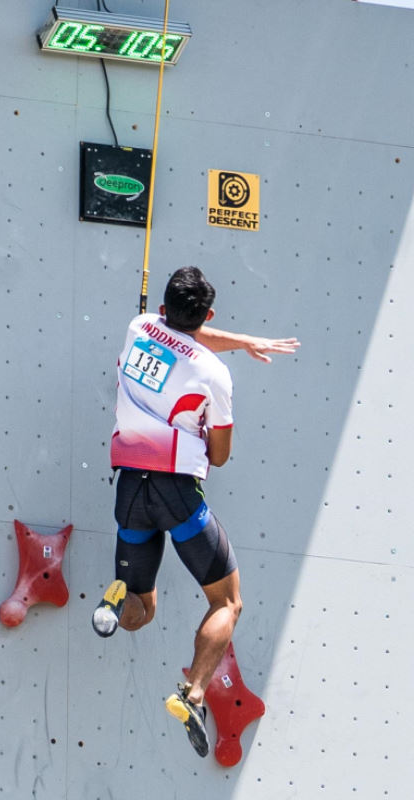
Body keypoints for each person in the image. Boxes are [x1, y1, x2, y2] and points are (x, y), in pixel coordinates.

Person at [91, 266, 299, 758]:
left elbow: (183, 335)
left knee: (142, 611)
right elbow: (220, 455)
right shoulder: (213, 374)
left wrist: (243, 339)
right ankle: (193, 693)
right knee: (227, 602)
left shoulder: (139, 327)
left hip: (129, 490)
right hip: (176, 494)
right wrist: (201, 431)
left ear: (162, 309)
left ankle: (115, 598)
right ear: (208, 314)